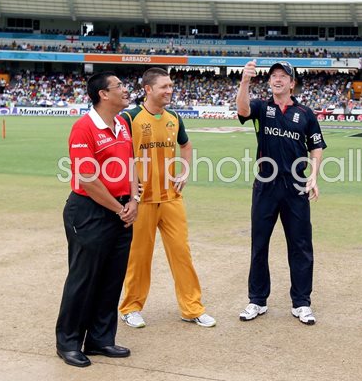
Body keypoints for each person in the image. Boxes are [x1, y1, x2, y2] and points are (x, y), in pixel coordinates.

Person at [118, 67, 216, 328]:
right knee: (139, 257)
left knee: (182, 254)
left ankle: (191, 308)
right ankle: (130, 308)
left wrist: (185, 169)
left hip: (172, 198)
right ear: (148, 89)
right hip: (141, 201)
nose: (170, 90)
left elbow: (186, 145)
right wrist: (129, 191)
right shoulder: (129, 117)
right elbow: (119, 155)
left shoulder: (174, 117)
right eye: (164, 87)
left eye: (171, 86)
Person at [55, 71, 139, 367]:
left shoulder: (122, 124)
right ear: (103, 94)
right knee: (84, 278)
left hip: (121, 210)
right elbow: (88, 179)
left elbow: (130, 164)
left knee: (111, 277)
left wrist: (133, 200)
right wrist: (120, 209)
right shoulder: (84, 127)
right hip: (89, 211)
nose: (125, 90)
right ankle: (68, 342)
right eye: (119, 86)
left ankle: (100, 339)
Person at [236, 60, 326, 325]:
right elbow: (241, 109)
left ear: (292, 83)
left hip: (296, 187)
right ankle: (257, 300)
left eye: (283, 76)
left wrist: (313, 175)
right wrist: (244, 81)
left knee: (300, 246)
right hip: (265, 185)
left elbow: (316, 147)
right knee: (259, 244)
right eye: (273, 76)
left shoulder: (306, 114)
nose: (277, 79)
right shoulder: (262, 108)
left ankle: (301, 303)